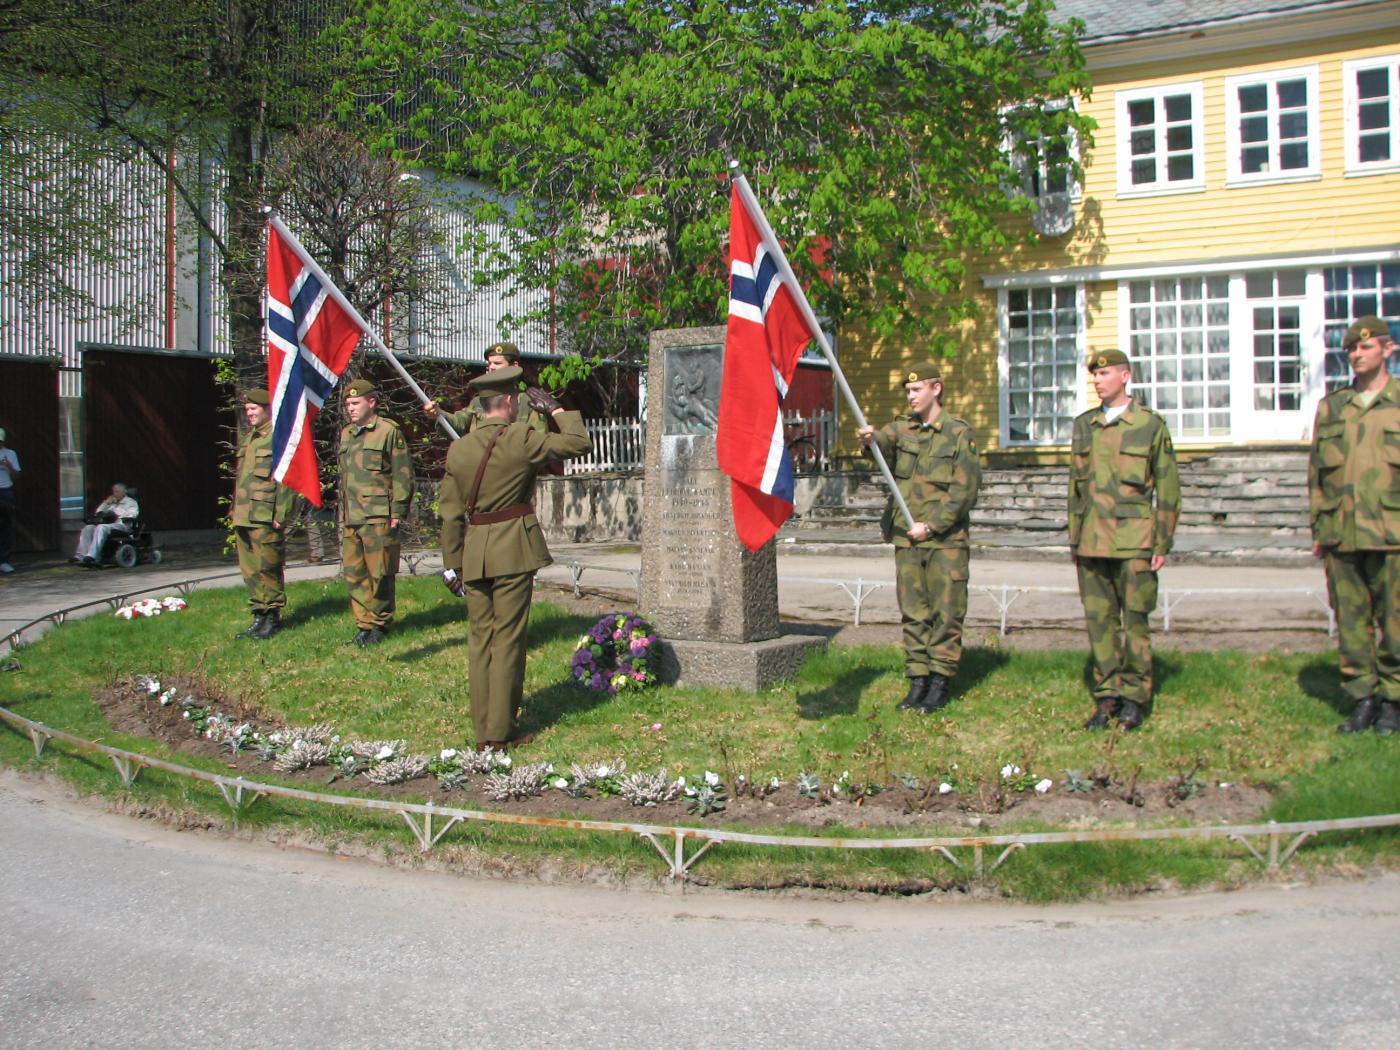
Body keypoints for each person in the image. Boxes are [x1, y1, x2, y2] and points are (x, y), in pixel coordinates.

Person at [439, 366, 591, 749]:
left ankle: (481, 729)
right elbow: (577, 443)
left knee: (479, 642)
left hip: (474, 552)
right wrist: (556, 411)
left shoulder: (458, 448)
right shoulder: (521, 437)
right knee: (507, 640)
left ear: (481, 405)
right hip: (512, 550)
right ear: (508, 401)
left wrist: (451, 563)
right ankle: (500, 732)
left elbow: (451, 512)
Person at [856, 364, 981, 714]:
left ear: (936, 389)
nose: (910, 396)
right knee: (913, 612)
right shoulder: (902, 429)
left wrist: (933, 525)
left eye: (916, 390)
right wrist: (870, 440)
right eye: (907, 392)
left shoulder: (958, 433)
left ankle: (940, 681)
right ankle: (918, 680)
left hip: (944, 541)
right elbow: (883, 444)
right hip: (907, 538)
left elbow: (964, 491)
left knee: (946, 612)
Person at [1068, 349, 1180, 731]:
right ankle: (1107, 696)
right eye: (1095, 375)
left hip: (1135, 540)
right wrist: (1074, 540)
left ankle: (1134, 697)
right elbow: (1075, 489)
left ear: (1125, 376)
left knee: (1134, 623)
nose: (1098, 381)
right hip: (1091, 541)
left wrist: (1161, 543)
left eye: (1105, 373)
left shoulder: (1149, 425)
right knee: (1100, 623)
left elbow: (1168, 488)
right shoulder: (1085, 425)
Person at [1310, 315, 1400, 736]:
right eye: (1351, 349)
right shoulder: (1332, 407)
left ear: (1388, 349)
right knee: (1351, 620)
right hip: (1341, 532)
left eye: (1366, 347)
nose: (1357, 354)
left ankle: (1394, 702)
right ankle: (1363, 698)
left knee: (1396, 622)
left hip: (1392, 532)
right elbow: (1317, 476)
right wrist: (1318, 528)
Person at [338, 378, 414, 646]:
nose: (351, 408)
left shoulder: (387, 431)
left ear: (372, 402)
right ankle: (364, 624)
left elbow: (402, 473)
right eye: (348, 404)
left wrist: (398, 510)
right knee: (355, 573)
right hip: (353, 516)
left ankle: (380, 623)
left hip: (379, 514)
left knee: (380, 572)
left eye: (355, 403)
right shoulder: (347, 433)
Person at [231, 389, 297, 639]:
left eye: (253, 409)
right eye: (246, 409)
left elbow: (289, 477)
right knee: (250, 569)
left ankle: (272, 617)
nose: (249, 413)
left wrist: (281, 512)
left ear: (267, 408)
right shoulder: (251, 439)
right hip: (245, 514)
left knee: (267, 566)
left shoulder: (278, 437)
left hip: (266, 514)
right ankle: (259, 614)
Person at [71, 482, 139, 566]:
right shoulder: (112, 502)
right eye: (114, 491)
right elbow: (98, 513)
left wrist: (115, 513)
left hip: (123, 525)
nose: (114, 494)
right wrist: (106, 503)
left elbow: (132, 515)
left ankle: (92, 556)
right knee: (88, 528)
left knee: (101, 527)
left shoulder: (131, 502)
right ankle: (81, 555)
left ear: (124, 492)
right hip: (109, 525)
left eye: (117, 491)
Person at [0, 427, 18, 573]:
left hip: (6, 491)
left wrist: (9, 467)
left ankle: (4, 560)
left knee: (6, 525)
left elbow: (17, 475)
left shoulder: (10, 454)